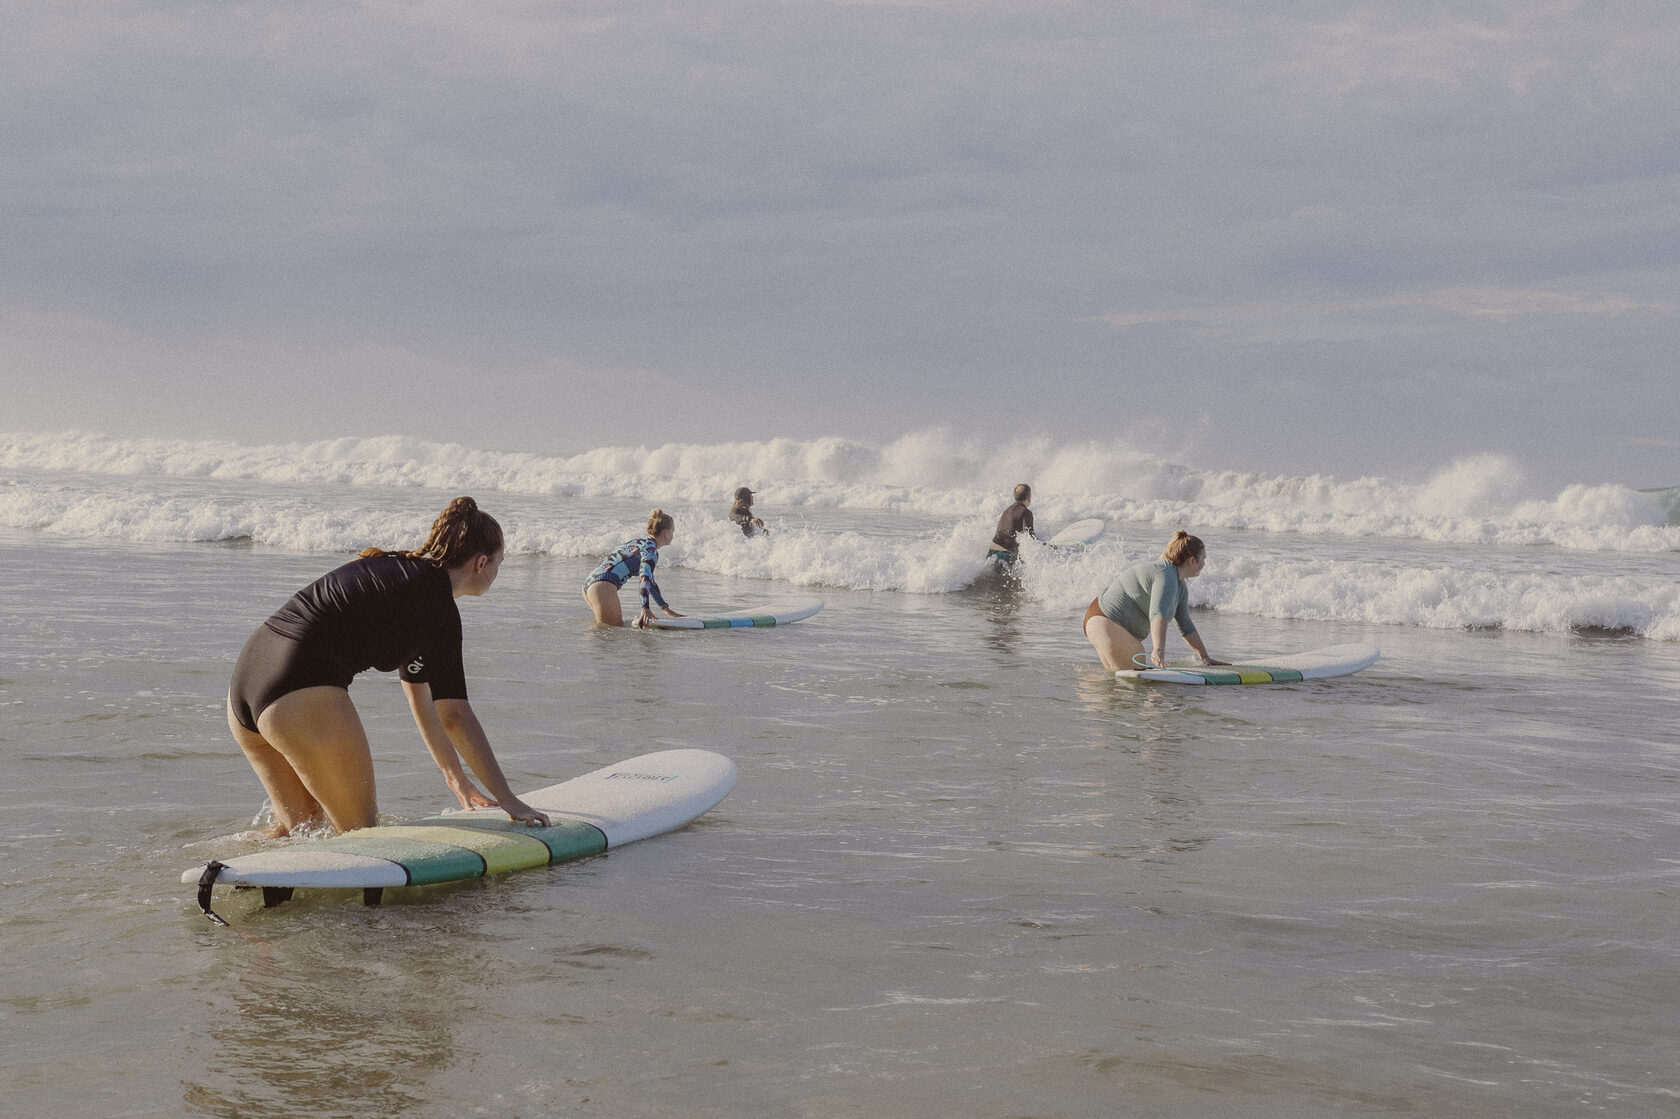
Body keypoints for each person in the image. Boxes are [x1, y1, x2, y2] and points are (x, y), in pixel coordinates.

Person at [226, 497, 550, 836]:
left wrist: (455, 776)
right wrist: (510, 800)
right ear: (481, 562)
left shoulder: (406, 581)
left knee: (300, 826)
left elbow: (420, 697)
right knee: (362, 836)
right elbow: (454, 714)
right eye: (500, 561)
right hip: (295, 688)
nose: (498, 571)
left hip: (246, 682)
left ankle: (224, 872)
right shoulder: (436, 605)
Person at [1083, 530, 1229, 672]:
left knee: (1115, 684)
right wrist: (1158, 650)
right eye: (1203, 558)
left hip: (1103, 623)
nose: (1204, 563)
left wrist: (1204, 656)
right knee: (1136, 673)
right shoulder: (1166, 575)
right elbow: (1158, 614)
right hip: (1104, 620)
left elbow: (1185, 624)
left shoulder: (1179, 584)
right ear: (1192, 561)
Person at [583, 509, 686, 628]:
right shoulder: (650, 551)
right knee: (611, 637)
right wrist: (645, 608)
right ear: (666, 533)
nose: (673, 535)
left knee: (603, 634)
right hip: (602, 587)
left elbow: (650, 582)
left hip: (591, 583)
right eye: (673, 531)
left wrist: (665, 608)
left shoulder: (638, 542)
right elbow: (645, 579)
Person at [987, 483, 1037, 564]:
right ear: (1029, 498)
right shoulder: (1026, 512)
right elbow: (1030, 538)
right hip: (1005, 555)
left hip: (992, 552)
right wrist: (1047, 547)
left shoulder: (1007, 510)